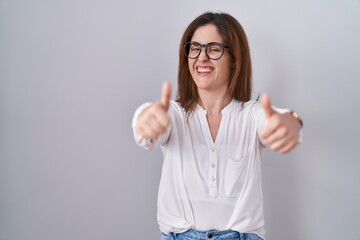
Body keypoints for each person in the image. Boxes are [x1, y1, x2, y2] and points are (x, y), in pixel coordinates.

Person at [132, 12, 303, 240]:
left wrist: (291, 123)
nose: (201, 58)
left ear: (234, 59)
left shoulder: (251, 115)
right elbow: (146, 122)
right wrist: (144, 121)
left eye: (213, 49)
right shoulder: (173, 114)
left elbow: (281, 121)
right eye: (195, 48)